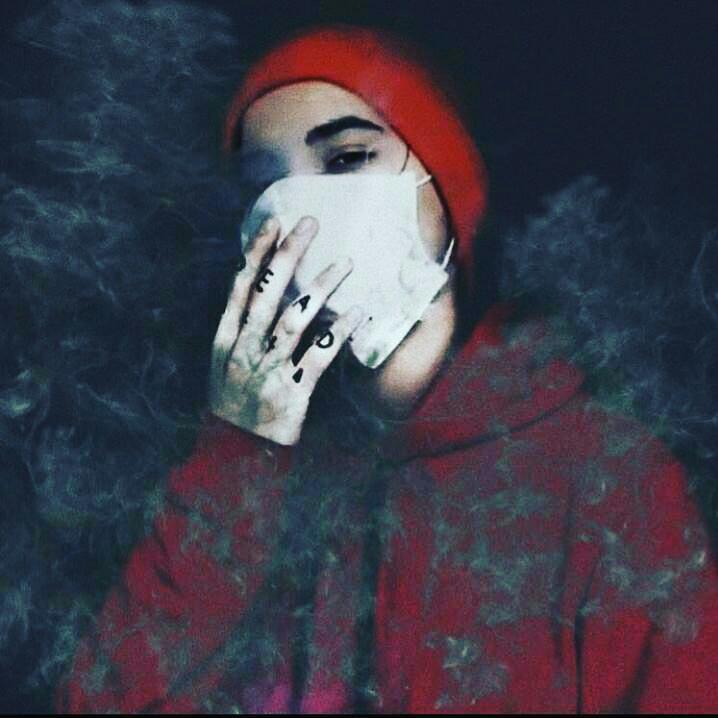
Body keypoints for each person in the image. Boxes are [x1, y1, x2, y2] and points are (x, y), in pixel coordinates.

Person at [56, 26, 718, 713]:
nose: (298, 214)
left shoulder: (609, 480)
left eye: (346, 158)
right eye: (265, 185)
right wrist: (239, 455)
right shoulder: (250, 484)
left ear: (446, 190)